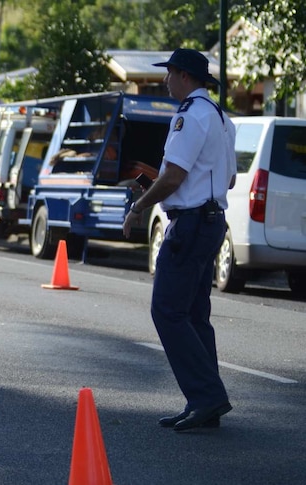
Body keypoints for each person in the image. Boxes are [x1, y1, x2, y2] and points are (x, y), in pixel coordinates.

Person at [123, 48, 237, 432]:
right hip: (211, 221)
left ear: (183, 76)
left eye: (168, 73)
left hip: (190, 224)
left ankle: (207, 396)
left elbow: (172, 177)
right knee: (193, 315)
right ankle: (205, 402)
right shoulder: (222, 118)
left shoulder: (189, 116)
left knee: (167, 311)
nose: (165, 81)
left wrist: (139, 205)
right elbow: (230, 178)